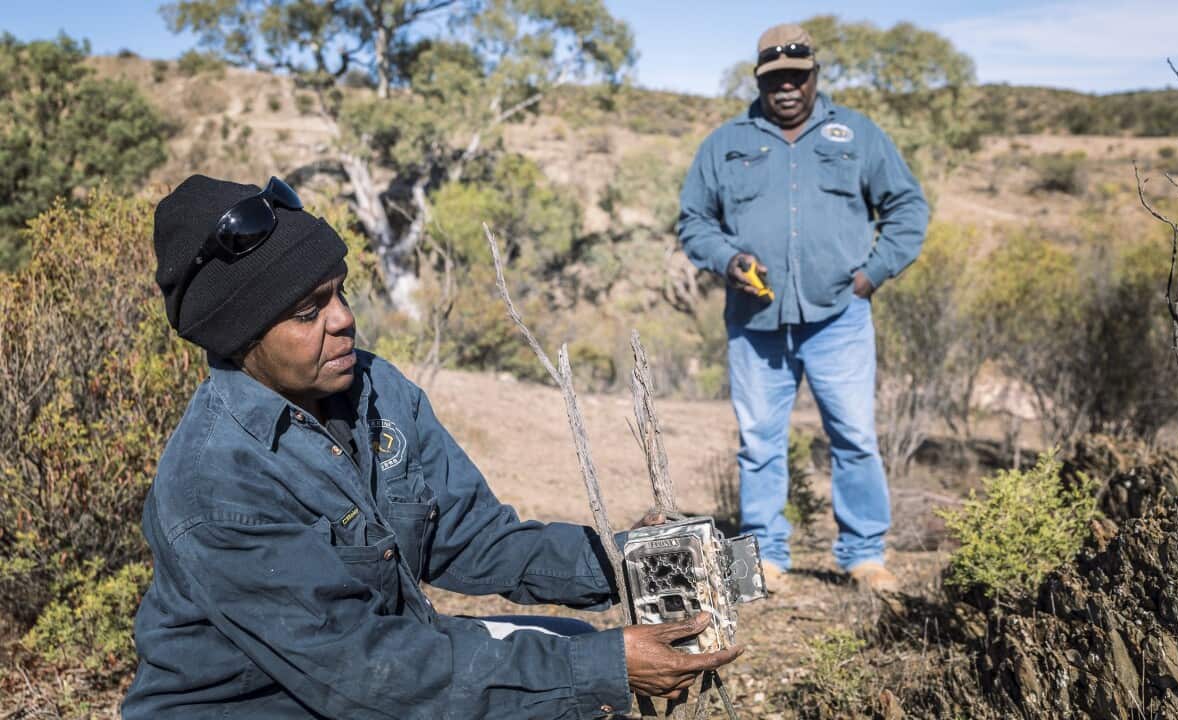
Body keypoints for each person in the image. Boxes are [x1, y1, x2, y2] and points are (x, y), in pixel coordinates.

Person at [123, 175, 741, 718]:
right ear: (240, 339)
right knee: (583, 674)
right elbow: (366, 672)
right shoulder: (217, 484)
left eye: (339, 292)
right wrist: (605, 667)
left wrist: (635, 561)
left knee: (578, 659)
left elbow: (475, 538)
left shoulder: (374, 389)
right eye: (307, 312)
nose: (342, 319)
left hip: (372, 672)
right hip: (263, 704)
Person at [678, 24, 929, 592]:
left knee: (854, 437)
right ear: (759, 81)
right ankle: (763, 559)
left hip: (839, 316)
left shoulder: (857, 135)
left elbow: (908, 207)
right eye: (776, 79)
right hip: (755, 323)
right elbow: (694, 221)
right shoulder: (725, 143)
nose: (787, 88)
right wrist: (728, 259)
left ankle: (864, 556)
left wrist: (873, 273)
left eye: (797, 76)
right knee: (759, 443)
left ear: (814, 75)